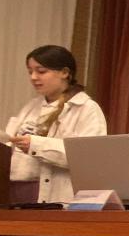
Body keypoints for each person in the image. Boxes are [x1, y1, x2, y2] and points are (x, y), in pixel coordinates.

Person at [6, 44, 108, 204]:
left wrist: (36, 145)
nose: (33, 77)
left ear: (65, 73)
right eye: (30, 72)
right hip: (17, 193)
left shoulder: (86, 108)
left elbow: (89, 158)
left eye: (41, 71)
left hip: (55, 197)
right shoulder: (31, 106)